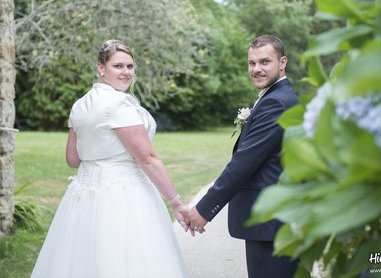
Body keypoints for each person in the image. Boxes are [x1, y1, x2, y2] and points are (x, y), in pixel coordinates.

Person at [31, 39, 190, 278]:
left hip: (84, 197)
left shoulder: (79, 105)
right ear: (101, 68)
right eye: (118, 66)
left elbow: (73, 159)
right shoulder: (118, 104)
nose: (126, 72)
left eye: (130, 66)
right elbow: (147, 158)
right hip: (124, 195)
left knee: (83, 260)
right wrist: (176, 203)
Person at [187, 35, 300, 277]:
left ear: (282, 62)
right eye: (251, 63)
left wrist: (204, 209)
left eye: (264, 62)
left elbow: (244, 163)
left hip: (269, 220)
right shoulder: (277, 97)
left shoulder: (276, 103)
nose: (256, 69)